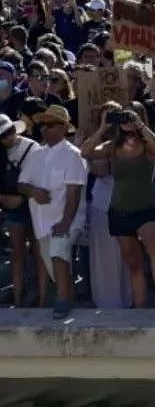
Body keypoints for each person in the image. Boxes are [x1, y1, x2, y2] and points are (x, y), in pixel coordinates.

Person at [80, 103, 155, 322]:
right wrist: (103, 128)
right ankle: (139, 309)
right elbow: (86, 152)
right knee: (133, 264)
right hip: (119, 211)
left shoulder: (147, 145)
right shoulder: (112, 146)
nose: (126, 122)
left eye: (130, 117)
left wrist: (139, 125)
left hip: (146, 209)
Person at [22, 106, 88, 320]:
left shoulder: (73, 155)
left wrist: (66, 222)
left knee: (59, 253)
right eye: (43, 125)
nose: (45, 129)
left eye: (50, 125)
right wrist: (33, 191)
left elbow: (74, 192)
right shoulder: (35, 154)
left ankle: (62, 301)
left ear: (62, 128)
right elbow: (22, 183)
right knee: (55, 265)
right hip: (41, 222)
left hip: (67, 219)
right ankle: (67, 298)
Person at [0, 114, 37, 307]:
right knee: (17, 252)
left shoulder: (32, 148)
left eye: (10, 132)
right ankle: (17, 295)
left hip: (33, 204)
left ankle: (39, 294)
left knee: (37, 252)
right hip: (12, 207)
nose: (8, 137)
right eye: (3, 135)